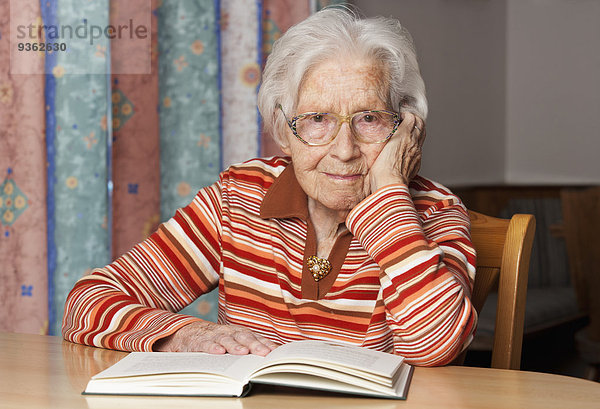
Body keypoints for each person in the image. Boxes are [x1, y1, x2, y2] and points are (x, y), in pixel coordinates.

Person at [62, 8, 476, 367]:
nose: (344, 150)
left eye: (370, 118)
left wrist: (388, 197)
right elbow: (88, 302)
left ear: (405, 129)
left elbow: (435, 346)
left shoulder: (434, 212)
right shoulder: (239, 197)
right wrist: (185, 336)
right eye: (317, 120)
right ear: (283, 130)